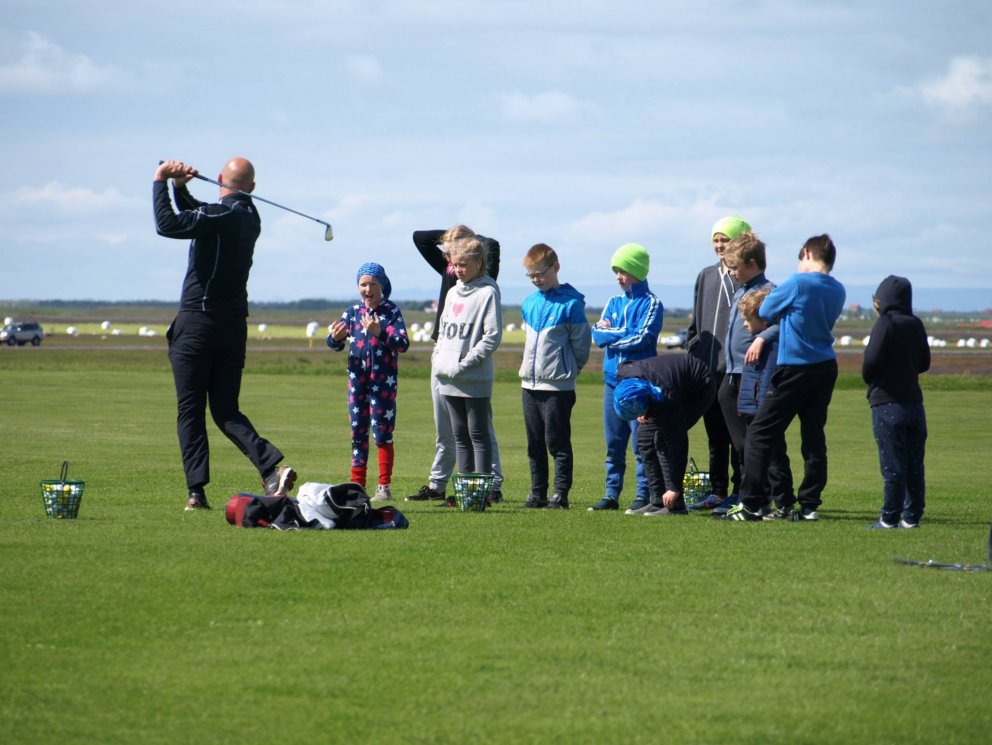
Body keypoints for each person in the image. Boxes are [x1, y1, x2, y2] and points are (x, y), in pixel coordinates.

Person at [153, 158, 297, 511]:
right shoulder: (249, 217)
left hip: (198, 325)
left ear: (219, 179)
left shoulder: (223, 215)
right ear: (252, 188)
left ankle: (196, 492)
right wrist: (181, 188)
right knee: (225, 409)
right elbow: (204, 215)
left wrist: (160, 180)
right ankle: (270, 468)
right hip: (233, 327)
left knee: (190, 411)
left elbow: (168, 225)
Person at [720, 234, 846, 522]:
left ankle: (751, 503)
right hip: (826, 366)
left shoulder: (798, 282)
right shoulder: (838, 289)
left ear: (805, 253)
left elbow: (765, 310)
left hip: (794, 367)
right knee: (813, 436)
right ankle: (810, 504)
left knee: (761, 432)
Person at [404, 225, 504, 503]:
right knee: (451, 430)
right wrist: (451, 242)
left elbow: (491, 242)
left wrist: (463, 240)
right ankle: (445, 486)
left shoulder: (484, 277)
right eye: (449, 257)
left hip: (469, 365)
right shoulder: (451, 273)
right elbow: (419, 238)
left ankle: (489, 486)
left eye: (457, 257)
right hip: (445, 359)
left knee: (480, 431)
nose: (451, 263)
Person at [715, 234, 795, 519]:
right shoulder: (741, 289)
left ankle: (777, 501)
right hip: (733, 374)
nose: (732, 273)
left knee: (765, 441)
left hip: (756, 375)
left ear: (752, 263)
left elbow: (785, 324)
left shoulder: (770, 291)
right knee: (743, 445)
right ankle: (753, 498)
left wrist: (762, 339)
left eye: (735, 267)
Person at [589, 243, 664, 511]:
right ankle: (611, 494)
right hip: (612, 381)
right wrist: (616, 333)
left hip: (638, 383)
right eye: (616, 272)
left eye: (623, 271)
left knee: (640, 443)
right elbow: (596, 334)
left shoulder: (652, 303)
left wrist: (613, 334)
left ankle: (643, 494)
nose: (618, 277)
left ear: (638, 271)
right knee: (614, 443)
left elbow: (642, 337)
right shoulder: (613, 302)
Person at [326, 262, 410, 502]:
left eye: (373, 283)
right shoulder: (352, 312)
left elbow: (403, 344)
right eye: (363, 284)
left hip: (383, 384)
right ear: (358, 286)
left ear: (382, 286)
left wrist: (380, 331)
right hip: (357, 382)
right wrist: (335, 338)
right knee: (358, 432)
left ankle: (383, 486)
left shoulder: (391, 311)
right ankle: (357, 485)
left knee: (382, 433)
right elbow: (333, 343)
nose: (368, 288)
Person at [518, 243, 592, 510]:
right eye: (531, 275)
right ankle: (537, 493)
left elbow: (581, 347)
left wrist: (567, 372)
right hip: (529, 384)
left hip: (558, 387)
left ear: (555, 267)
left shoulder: (571, 305)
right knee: (534, 442)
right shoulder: (528, 303)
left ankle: (560, 494)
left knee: (556, 441)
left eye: (540, 273)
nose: (536, 279)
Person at [685, 215, 751, 512]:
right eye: (716, 239)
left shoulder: (743, 278)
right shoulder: (706, 276)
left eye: (725, 239)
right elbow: (696, 321)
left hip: (734, 371)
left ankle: (741, 489)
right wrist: (693, 348)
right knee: (714, 435)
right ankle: (717, 489)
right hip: (707, 370)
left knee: (737, 435)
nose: (720, 245)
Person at [431, 237, 503, 484]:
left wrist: (466, 362)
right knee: (459, 435)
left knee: (478, 434)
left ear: (479, 263)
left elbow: (492, 336)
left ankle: (482, 489)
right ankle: (465, 490)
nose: (458, 270)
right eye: (455, 265)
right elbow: (442, 331)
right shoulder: (452, 292)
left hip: (474, 376)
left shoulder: (487, 292)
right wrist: (438, 359)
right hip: (448, 375)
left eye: (463, 265)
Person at [862, 275, 930, 529]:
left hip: (887, 403)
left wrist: (871, 379)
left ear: (881, 301)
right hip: (914, 402)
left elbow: (870, 361)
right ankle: (911, 517)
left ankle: (889, 518)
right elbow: (925, 362)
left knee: (892, 464)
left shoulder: (885, 323)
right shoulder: (916, 323)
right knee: (914, 464)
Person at [613, 354, 716, 516]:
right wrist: (642, 407)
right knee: (644, 438)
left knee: (663, 439)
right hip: (665, 383)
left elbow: (677, 443)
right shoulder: (625, 373)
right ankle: (657, 501)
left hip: (699, 386)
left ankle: (676, 505)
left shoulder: (667, 397)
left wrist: (674, 487)